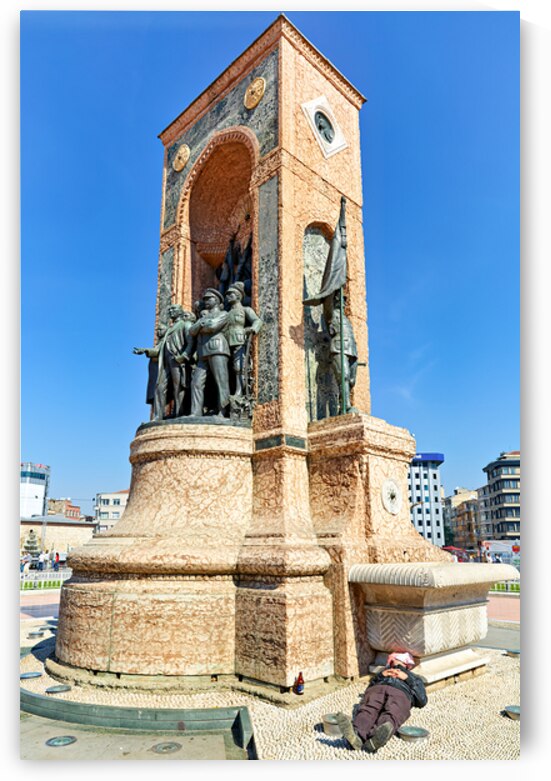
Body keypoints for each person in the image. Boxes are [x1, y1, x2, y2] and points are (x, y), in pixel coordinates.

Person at [336, 652, 427, 753]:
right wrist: (380, 676)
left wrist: (407, 678)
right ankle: (356, 735)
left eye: (398, 660)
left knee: (393, 712)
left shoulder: (414, 677)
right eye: (392, 660)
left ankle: (375, 739)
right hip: (377, 689)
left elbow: (422, 701)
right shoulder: (383, 672)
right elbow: (368, 690)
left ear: (407, 665)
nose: (394, 662)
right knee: (368, 708)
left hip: (401, 693)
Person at [181, 288, 231, 417]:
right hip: (203, 352)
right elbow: (192, 331)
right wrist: (202, 324)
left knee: (221, 382)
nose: (206, 301)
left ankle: (222, 411)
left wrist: (201, 326)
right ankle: (195, 412)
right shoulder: (204, 316)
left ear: (217, 300)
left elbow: (212, 327)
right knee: (196, 383)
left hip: (217, 349)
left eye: (209, 298)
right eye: (205, 299)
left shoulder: (224, 314)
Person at [224, 281, 262, 396]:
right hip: (226, 342)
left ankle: (239, 391)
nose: (228, 296)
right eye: (227, 294)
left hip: (239, 339)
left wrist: (252, 329)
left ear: (238, 296)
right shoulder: (226, 313)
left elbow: (257, 320)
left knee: (238, 367)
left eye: (231, 294)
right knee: (227, 368)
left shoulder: (245, 310)